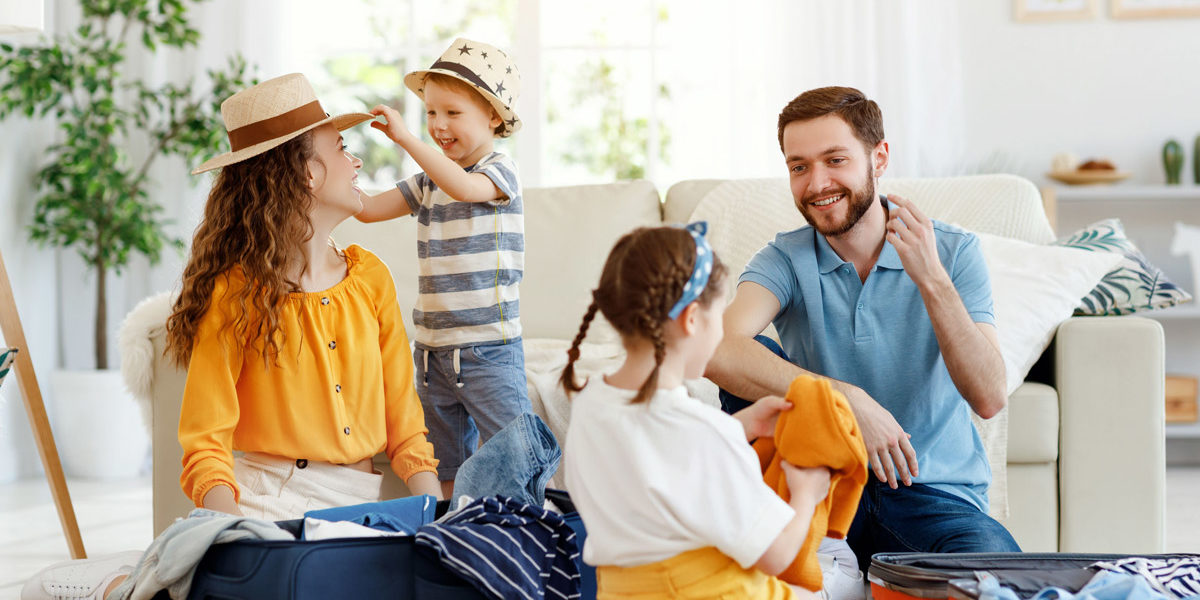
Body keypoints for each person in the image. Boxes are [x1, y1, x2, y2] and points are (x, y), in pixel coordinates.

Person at [22, 73, 441, 600]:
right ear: (308, 173)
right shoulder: (236, 293)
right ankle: (110, 586)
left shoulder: (371, 278)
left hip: (363, 505)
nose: (357, 163)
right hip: (265, 502)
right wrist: (235, 534)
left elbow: (407, 428)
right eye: (342, 148)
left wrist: (436, 521)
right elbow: (205, 443)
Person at [705, 86, 1019, 572]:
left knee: (1002, 578)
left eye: (835, 160)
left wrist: (932, 280)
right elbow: (716, 350)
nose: (816, 183)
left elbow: (989, 396)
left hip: (931, 498)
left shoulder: (952, 253)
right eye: (799, 167)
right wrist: (845, 401)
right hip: (820, 491)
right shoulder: (785, 259)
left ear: (879, 157)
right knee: (755, 351)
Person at [562, 223, 832, 600]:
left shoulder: (591, 404)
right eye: (718, 317)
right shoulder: (702, 433)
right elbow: (776, 554)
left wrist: (741, 424)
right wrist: (806, 494)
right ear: (691, 319)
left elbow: (658, 453)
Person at [357, 37, 530, 499]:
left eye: (453, 113)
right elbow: (370, 209)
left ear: (493, 116)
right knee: (444, 463)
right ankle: (452, 534)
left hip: (488, 348)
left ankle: (530, 534)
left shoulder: (498, 170)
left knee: (517, 458)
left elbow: (462, 186)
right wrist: (325, 175)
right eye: (431, 113)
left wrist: (406, 139)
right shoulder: (430, 179)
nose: (438, 125)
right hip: (433, 353)